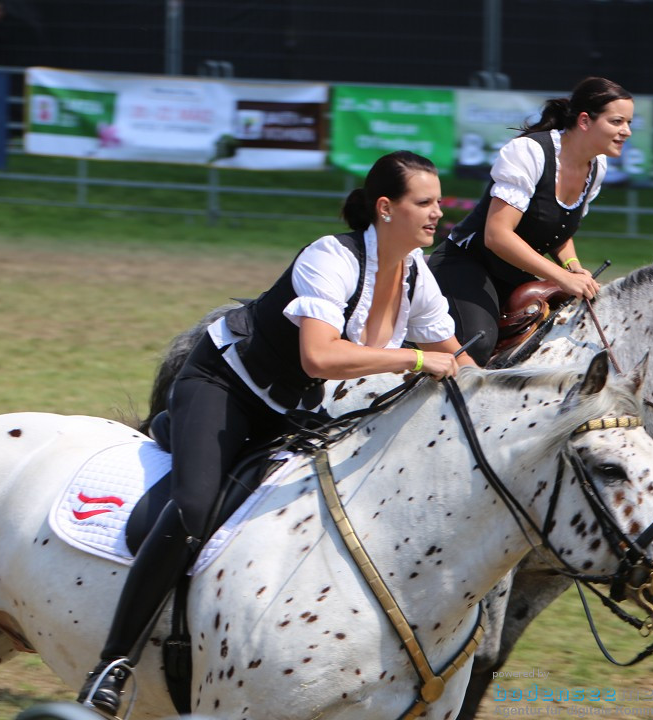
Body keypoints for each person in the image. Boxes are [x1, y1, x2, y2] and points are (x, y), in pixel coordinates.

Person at [77, 150, 474, 715]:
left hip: (295, 409)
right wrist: (412, 360)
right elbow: (317, 357)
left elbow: (453, 355)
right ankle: (111, 665)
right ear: (386, 209)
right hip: (224, 385)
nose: (439, 214)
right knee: (194, 507)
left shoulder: (416, 274)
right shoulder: (329, 257)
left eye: (440, 202)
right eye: (425, 203)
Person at [427, 76, 634, 365]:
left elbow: (558, 228)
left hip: (512, 273)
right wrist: (561, 278)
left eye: (629, 123)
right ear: (585, 121)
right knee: (478, 344)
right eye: (617, 122)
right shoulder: (530, 152)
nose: (626, 131)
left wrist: (574, 268)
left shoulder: (598, 166)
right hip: (465, 263)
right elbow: (497, 235)